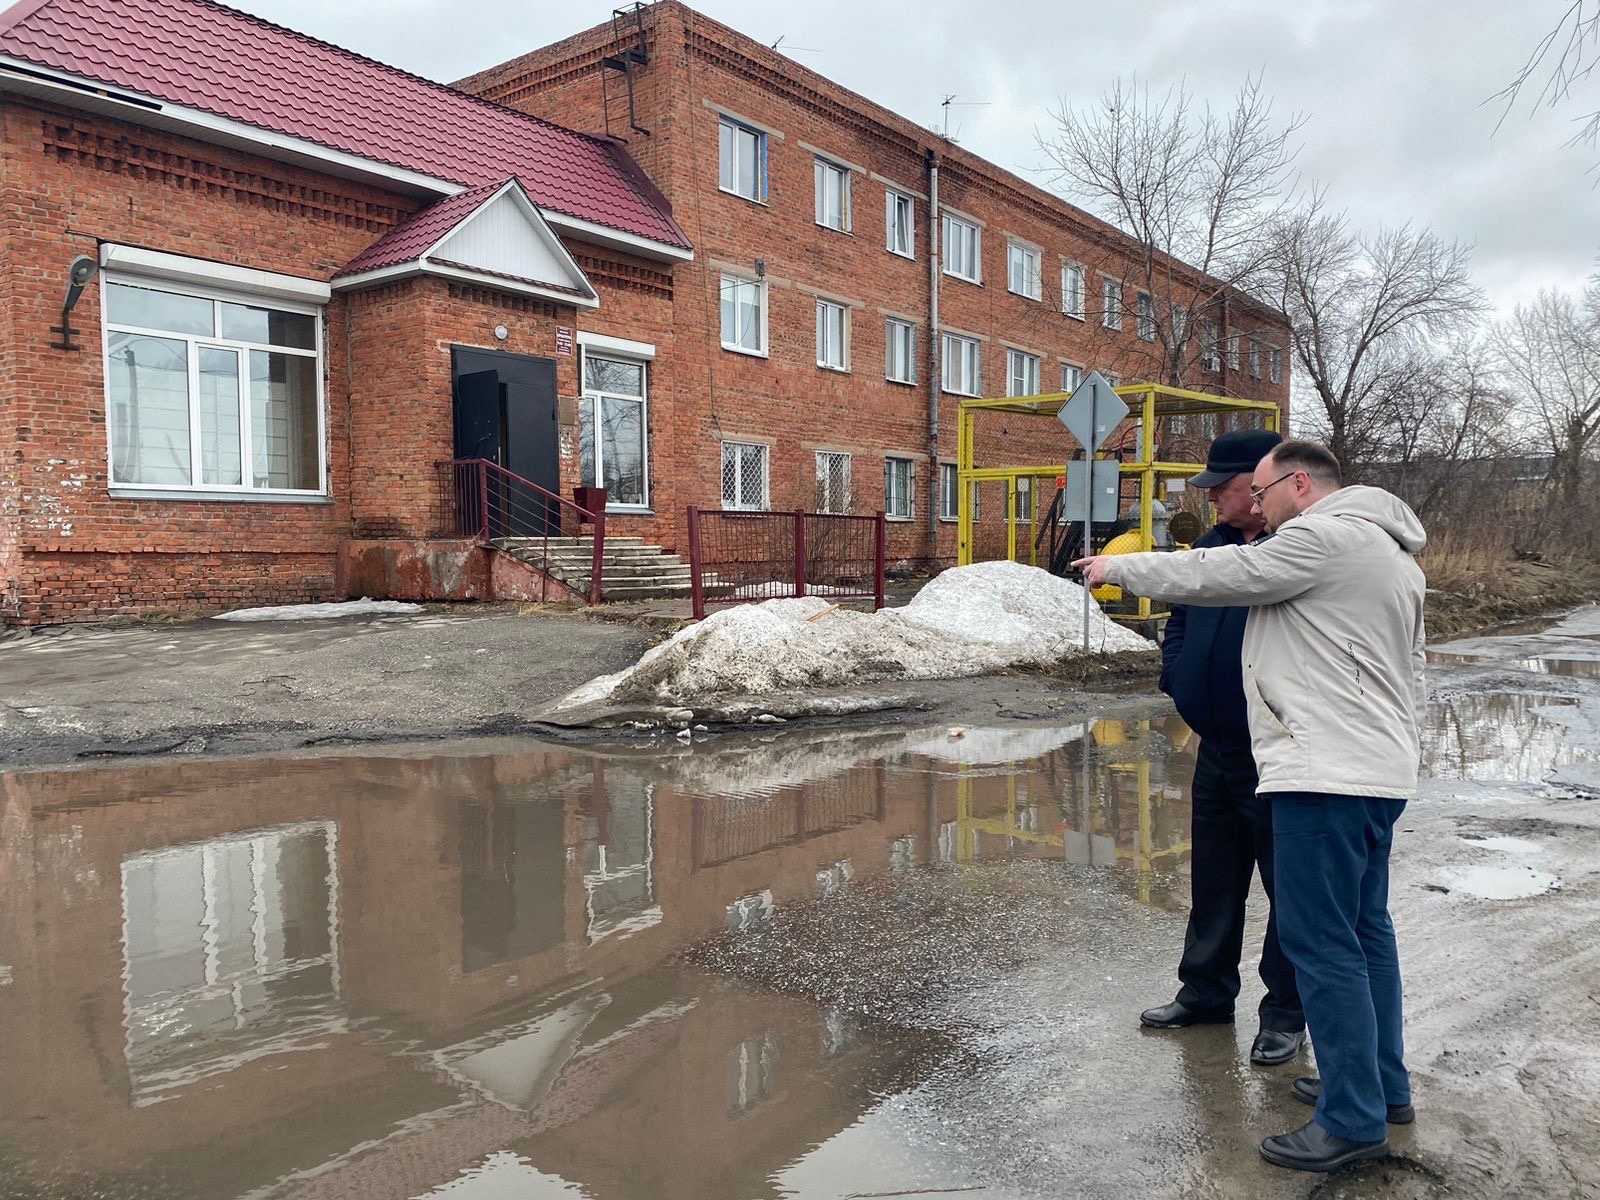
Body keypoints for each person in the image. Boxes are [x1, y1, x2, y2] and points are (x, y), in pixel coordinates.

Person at [1075, 440, 1426, 1174]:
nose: (1257, 509)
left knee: (1322, 943)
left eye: (1262, 494)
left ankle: (1352, 1117)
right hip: (1370, 770)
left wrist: (1117, 567)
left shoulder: (1324, 536)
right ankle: (1380, 1088)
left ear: (1301, 485)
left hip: (1323, 774)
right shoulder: (1390, 552)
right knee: (1365, 934)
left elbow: (1223, 572)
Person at [1140, 429, 1306, 1071]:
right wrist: (1175, 673)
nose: (1210, 501)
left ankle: (1285, 1014)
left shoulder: (1295, 553)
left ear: (1262, 487)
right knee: (1213, 881)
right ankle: (1205, 993)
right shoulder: (1209, 547)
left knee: (1288, 890)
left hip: (1277, 754)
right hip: (1215, 749)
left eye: (1223, 488)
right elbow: (1181, 613)